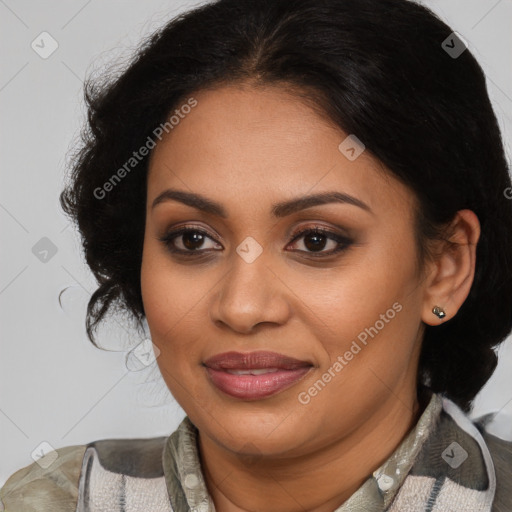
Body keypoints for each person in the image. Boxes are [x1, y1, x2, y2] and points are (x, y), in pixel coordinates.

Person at [2, 0, 512, 510]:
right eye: (192, 239)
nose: (242, 308)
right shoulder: (52, 500)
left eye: (317, 240)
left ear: (445, 267)